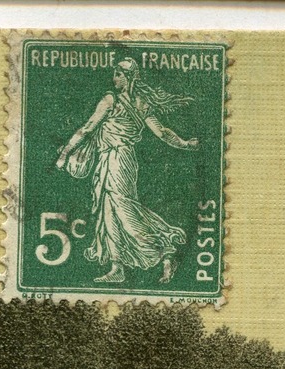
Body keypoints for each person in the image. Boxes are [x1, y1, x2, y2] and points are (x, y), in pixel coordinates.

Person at [56, 58, 200, 284]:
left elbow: (87, 128)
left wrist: (65, 153)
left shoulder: (110, 100)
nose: (114, 78)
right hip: (120, 159)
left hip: (116, 159)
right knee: (110, 211)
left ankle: (164, 251)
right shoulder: (142, 103)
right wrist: (185, 144)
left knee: (122, 209)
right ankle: (118, 267)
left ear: (129, 77)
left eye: (118, 74)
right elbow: (162, 132)